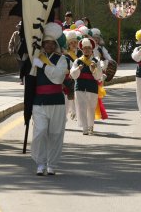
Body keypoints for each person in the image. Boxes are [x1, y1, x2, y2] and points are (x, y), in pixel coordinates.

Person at [30, 23, 69, 176]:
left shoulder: (62, 59)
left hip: (57, 101)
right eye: (46, 43)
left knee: (56, 134)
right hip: (39, 101)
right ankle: (40, 163)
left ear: (56, 45)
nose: (49, 46)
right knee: (40, 131)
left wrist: (43, 66)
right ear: (43, 44)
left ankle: (52, 164)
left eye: (52, 43)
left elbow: (59, 77)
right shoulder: (35, 58)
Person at [70, 37, 103, 135]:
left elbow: (98, 76)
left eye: (89, 48)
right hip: (79, 87)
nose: (87, 50)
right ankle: (85, 128)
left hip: (92, 87)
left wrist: (93, 70)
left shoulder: (96, 61)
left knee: (91, 108)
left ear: (92, 49)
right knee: (81, 107)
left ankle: (90, 126)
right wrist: (78, 69)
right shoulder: (77, 61)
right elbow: (73, 74)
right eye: (85, 48)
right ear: (82, 49)